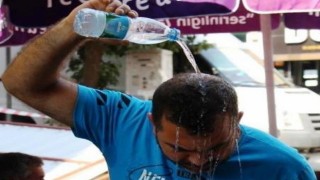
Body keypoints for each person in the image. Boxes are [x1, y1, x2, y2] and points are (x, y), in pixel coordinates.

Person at [1, 0, 316, 179]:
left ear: (238, 120)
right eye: (179, 147)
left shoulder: (283, 167)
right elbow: (20, 83)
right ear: (151, 122)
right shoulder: (123, 121)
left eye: (215, 148)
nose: (198, 161)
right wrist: (71, 29)